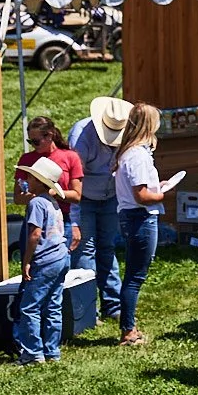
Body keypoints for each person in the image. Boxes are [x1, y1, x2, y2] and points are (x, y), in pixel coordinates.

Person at [113, 103, 173, 348]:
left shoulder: (129, 152)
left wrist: (157, 187)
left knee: (134, 275)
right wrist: (163, 194)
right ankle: (128, 330)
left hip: (133, 216)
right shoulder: (137, 155)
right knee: (135, 277)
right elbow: (142, 195)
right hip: (140, 216)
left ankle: (129, 326)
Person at [70, 95, 131, 326]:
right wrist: (74, 220)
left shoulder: (127, 132)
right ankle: (88, 310)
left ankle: (112, 304)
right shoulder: (81, 135)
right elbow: (73, 179)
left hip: (111, 196)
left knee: (107, 247)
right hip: (85, 198)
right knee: (85, 250)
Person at [14, 156, 75, 365]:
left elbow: (34, 234)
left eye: (31, 176)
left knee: (30, 307)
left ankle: (32, 353)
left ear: (40, 181)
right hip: (61, 257)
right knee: (52, 305)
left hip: (45, 260)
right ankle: (52, 351)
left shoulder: (36, 203)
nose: (27, 179)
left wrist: (27, 261)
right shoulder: (52, 202)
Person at [16, 115, 84, 219]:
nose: (33, 145)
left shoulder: (70, 157)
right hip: (35, 215)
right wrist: (37, 197)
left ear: (49, 136)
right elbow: (17, 198)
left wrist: (52, 193)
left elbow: (77, 196)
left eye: (36, 141)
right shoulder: (26, 159)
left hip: (62, 217)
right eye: (30, 142)